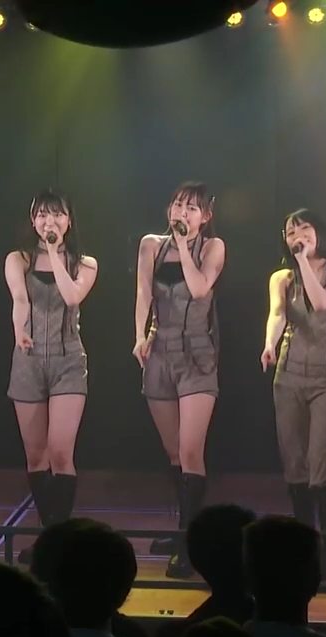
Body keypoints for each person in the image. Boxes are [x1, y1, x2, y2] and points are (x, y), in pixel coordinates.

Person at [133, 182, 226, 578]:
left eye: (192, 208)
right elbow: (142, 293)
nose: (182, 213)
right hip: (160, 351)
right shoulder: (151, 245)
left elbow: (200, 288)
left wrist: (186, 245)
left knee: (190, 451)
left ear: (205, 216)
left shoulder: (212, 247)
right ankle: (183, 529)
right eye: (178, 205)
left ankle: (190, 544)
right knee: (173, 452)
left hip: (197, 354)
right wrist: (139, 335)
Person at [261, 209, 326, 579]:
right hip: (289, 375)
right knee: (295, 461)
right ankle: (304, 544)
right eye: (290, 232)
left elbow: (321, 303)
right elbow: (277, 314)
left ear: (319, 232)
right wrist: (269, 344)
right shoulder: (282, 277)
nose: (297, 236)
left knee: (323, 460)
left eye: (304, 229)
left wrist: (303, 262)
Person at [5, 189, 98, 561]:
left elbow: (72, 296)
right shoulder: (18, 259)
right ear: (33, 221)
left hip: (68, 360)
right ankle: (49, 535)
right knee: (35, 456)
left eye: (57, 215)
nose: (49, 222)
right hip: (28, 359)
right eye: (42, 215)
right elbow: (20, 299)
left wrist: (56, 253)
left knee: (60, 452)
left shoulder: (85, 263)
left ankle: (61, 539)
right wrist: (19, 332)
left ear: (69, 221)